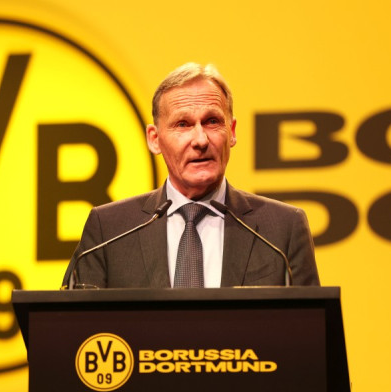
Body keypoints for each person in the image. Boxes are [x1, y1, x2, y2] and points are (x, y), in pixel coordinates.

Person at [62, 62, 319, 288]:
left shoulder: (282, 230)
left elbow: (310, 325)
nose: (201, 140)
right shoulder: (109, 231)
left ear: (231, 132)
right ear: (154, 139)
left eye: (212, 121)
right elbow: (72, 324)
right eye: (183, 124)